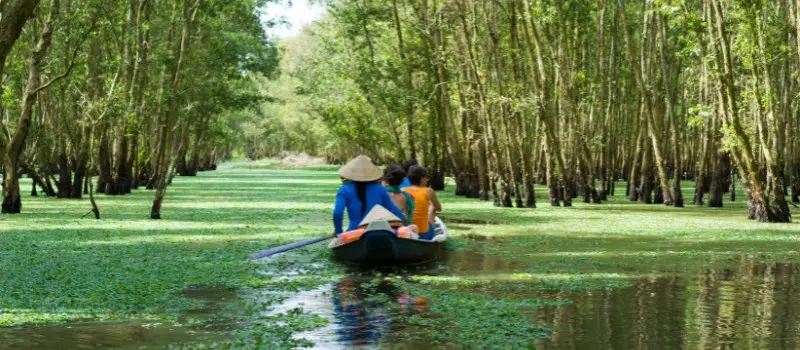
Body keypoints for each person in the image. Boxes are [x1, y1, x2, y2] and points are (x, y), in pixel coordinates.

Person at [333, 155, 406, 235]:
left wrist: (338, 232)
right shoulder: (380, 189)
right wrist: (406, 224)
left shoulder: (344, 190)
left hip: (354, 233)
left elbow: (337, 213)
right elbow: (393, 210)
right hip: (377, 232)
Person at [403, 165, 442, 240]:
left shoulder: (403, 190)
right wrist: (431, 206)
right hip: (424, 233)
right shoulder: (428, 191)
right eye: (426, 177)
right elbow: (439, 208)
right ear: (421, 179)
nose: (427, 180)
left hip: (407, 232)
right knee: (433, 207)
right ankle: (431, 226)